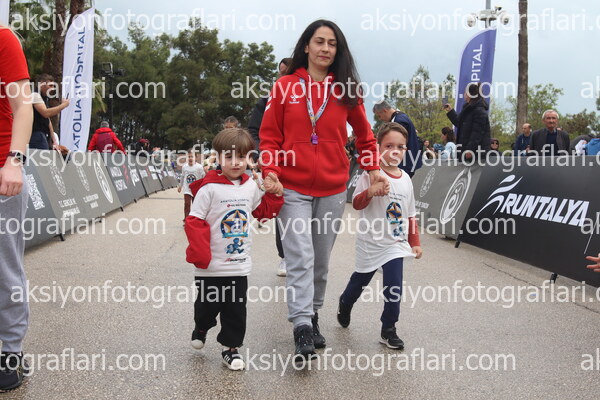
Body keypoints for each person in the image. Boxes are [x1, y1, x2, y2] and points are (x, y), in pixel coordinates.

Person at [259, 19, 386, 362]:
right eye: (319, 41)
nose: (325, 48)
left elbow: (366, 137)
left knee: (320, 260)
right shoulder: (284, 86)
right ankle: (301, 325)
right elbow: (269, 137)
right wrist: (270, 172)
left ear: (337, 50)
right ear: (306, 46)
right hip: (290, 186)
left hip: (332, 189)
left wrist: (374, 171)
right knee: (299, 255)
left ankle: (313, 313)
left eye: (332, 43)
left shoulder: (346, 90)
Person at [184, 128, 283, 370]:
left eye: (241, 156)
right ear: (217, 157)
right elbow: (194, 220)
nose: (236, 162)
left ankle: (231, 348)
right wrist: (200, 253)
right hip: (210, 266)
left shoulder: (251, 187)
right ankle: (201, 327)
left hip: (238, 264)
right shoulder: (209, 188)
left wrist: (275, 196)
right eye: (229, 157)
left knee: (236, 310)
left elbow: (262, 213)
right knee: (207, 307)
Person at [337, 122, 422, 349]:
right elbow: (356, 203)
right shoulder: (370, 174)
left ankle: (389, 329)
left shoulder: (406, 179)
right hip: (370, 242)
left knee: (394, 288)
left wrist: (415, 242)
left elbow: (410, 214)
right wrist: (370, 192)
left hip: (395, 244)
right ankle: (345, 302)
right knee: (360, 281)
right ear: (377, 147)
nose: (395, 151)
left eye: (400, 147)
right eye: (389, 146)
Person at [0, 25, 33, 392]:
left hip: (1, 172)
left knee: (4, 270)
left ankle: (11, 352)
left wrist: (15, 160)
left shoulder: (3, 38)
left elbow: (23, 106)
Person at [373, 100, 422, 176]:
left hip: (406, 164)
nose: (380, 119)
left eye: (379, 116)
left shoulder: (399, 121)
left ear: (384, 111)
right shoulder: (401, 117)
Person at [443, 82, 491, 161]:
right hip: (466, 151)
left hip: (476, 154)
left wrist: (470, 149)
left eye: (465, 92)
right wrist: (450, 111)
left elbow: (477, 133)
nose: (464, 94)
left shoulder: (479, 111)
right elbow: (459, 122)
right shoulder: (468, 110)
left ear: (469, 94)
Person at [30, 73, 69, 150]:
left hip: (43, 134)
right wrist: (63, 105)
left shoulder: (44, 98)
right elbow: (46, 113)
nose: (53, 88)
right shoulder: (35, 95)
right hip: (36, 133)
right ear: (42, 84)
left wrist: (53, 138)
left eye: (53, 86)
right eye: (50, 85)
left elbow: (47, 119)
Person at [178, 150, 205, 223]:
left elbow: (203, 177)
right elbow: (182, 177)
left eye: (192, 156)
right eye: (189, 157)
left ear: (196, 158)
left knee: (195, 205)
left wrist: (203, 187)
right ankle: (186, 220)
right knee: (187, 204)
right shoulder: (185, 167)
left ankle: (195, 220)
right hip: (187, 189)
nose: (190, 158)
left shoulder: (199, 167)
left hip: (196, 189)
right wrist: (180, 186)